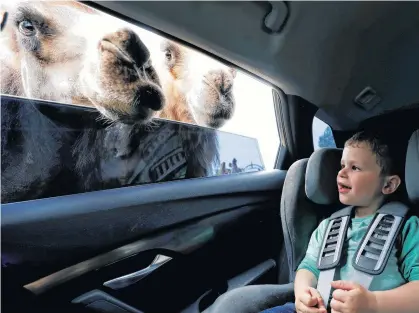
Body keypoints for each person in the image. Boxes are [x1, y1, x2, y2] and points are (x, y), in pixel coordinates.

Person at [260, 131, 419, 313]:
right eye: (342, 165)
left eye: (355, 168)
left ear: (388, 185)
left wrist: (373, 303)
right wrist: (303, 293)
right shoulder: (328, 226)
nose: (341, 173)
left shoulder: (407, 228)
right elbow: (308, 267)